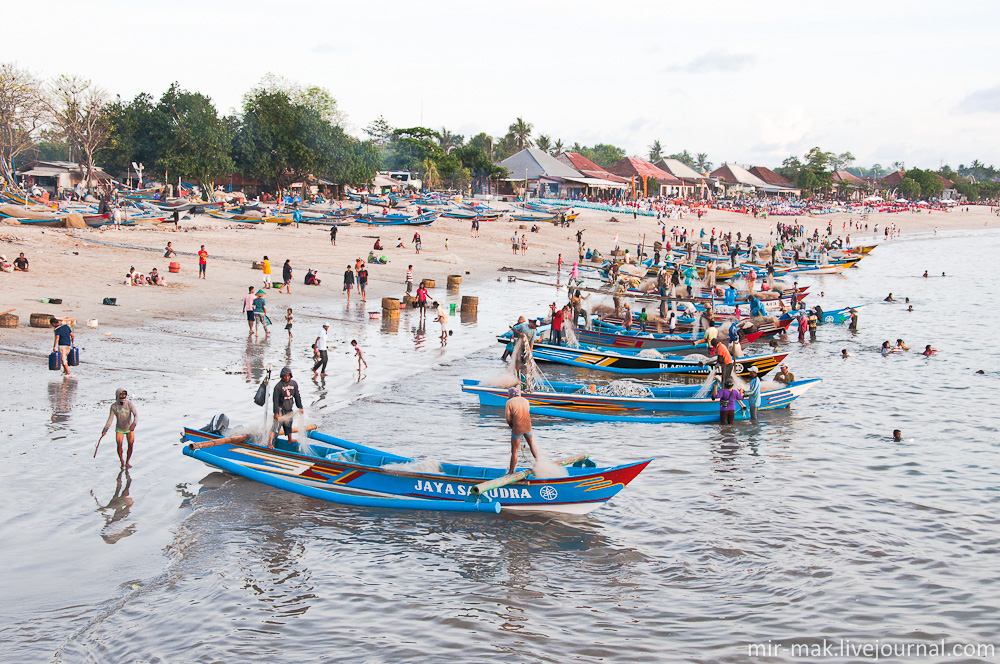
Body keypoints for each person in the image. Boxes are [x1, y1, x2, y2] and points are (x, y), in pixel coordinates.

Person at [504, 386, 540, 474]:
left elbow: (508, 418)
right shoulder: (526, 400)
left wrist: (512, 427)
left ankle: (511, 471)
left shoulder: (509, 402)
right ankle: (538, 462)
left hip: (517, 428)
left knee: (514, 451)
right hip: (528, 426)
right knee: (531, 444)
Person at [100, 388, 138, 468]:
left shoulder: (129, 404)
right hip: (119, 428)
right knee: (119, 445)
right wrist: (105, 429)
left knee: (130, 444)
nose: (123, 397)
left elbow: (136, 416)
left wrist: (133, 425)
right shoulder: (114, 406)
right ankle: (122, 461)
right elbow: (110, 419)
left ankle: (127, 462)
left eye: (124, 395)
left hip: (129, 428)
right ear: (117, 396)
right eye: (121, 395)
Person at [270, 367, 304, 448]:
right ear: (282, 376)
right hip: (280, 409)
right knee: (276, 427)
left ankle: (290, 439)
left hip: (289, 408)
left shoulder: (294, 384)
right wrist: (276, 412)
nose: (286, 378)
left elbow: (297, 396)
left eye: (288, 376)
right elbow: (275, 400)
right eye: (285, 376)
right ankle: (270, 442)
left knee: (288, 425)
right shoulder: (278, 386)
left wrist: (300, 407)